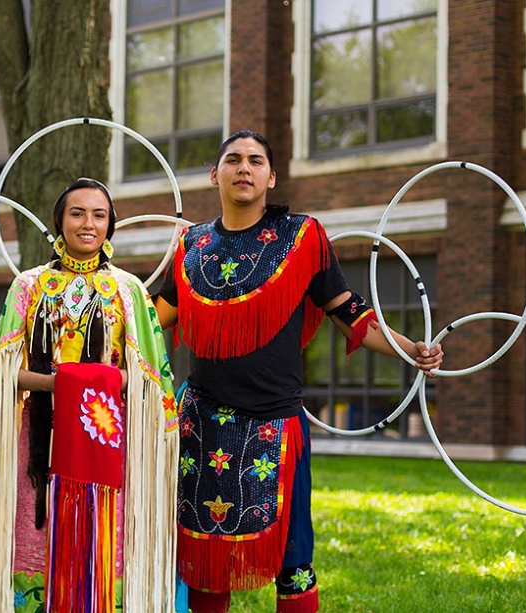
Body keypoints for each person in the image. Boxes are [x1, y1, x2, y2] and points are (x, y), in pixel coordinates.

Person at [154, 130, 444, 613]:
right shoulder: (191, 245)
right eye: (232, 159)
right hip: (201, 425)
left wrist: (410, 349)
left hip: (276, 423)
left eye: (255, 160)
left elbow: (349, 312)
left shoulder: (302, 236)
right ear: (215, 175)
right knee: (206, 557)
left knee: (294, 559)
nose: (243, 168)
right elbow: (153, 316)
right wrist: (92, 319)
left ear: (272, 176)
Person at [0, 178, 180, 613]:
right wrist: (57, 384)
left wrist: (99, 383)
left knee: (107, 536)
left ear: (110, 224)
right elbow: (4, 370)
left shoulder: (129, 291)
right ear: (59, 222)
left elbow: (148, 375)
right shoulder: (29, 287)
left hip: (108, 440)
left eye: (99, 215)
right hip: (40, 441)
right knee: (37, 529)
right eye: (77, 213)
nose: (88, 224)